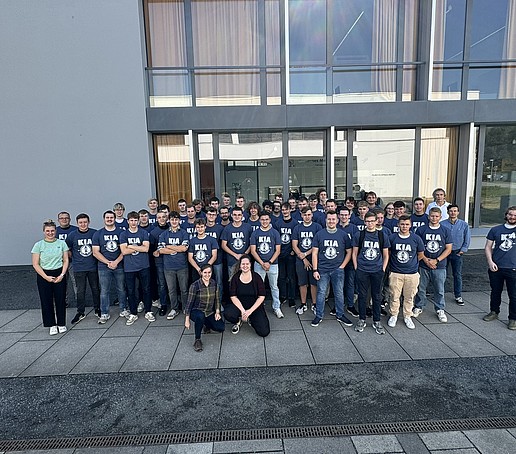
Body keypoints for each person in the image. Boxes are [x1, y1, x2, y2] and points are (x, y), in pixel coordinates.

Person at [310, 211, 353, 327]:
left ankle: (340, 314)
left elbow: (349, 252)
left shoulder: (343, 235)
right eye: (329, 219)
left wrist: (342, 266)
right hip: (322, 269)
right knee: (321, 293)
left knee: (339, 293)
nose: (331, 221)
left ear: (337, 220)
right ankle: (319, 315)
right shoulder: (319, 234)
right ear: (326, 220)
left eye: (333, 219)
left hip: (337, 269)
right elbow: (314, 253)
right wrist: (315, 269)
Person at [352, 211, 390, 334]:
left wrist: (383, 268)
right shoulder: (360, 235)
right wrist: (357, 267)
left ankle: (377, 320)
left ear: (376, 221)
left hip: (377, 270)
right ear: (365, 222)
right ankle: (362, 319)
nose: (370, 224)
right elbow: (354, 253)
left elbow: (386, 254)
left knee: (377, 296)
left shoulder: (382, 235)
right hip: (362, 269)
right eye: (368, 221)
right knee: (362, 296)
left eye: (372, 221)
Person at [412, 207, 452, 322]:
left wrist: (437, 260)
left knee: (439, 289)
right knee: (421, 288)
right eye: (432, 216)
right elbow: (418, 247)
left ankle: (440, 309)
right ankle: (419, 306)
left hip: (439, 265)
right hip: (424, 264)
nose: (434, 218)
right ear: (428, 216)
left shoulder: (445, 231)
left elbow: (448, 249)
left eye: (436, 216)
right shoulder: (421, 230)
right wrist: (426, 260)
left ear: (440, 217)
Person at [31, 220, 69, 335]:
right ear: (44, 232)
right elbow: (35, 264)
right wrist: (46, 277)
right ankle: (51, 324)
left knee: (60, 299)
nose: (50, 233)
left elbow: (66, 260)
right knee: (46, 300)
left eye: (52, 231)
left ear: (55, 231)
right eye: (47, 231)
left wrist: (62, 274)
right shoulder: (38, 245)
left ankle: (61, 323)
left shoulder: (61, 243)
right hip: (44, 274)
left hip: (59, 272)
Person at [387, 215, 424, 329]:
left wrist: (411, 263)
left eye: (407, 224)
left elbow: (420, 254)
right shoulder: (392, 238)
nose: (404, 226)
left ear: (410, 225)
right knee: (394, 295)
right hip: (396, 272)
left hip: (412, 273)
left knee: (409, 296)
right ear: (398, 225)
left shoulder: (416, 238)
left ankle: (407, 316)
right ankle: (394, 315)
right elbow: (388, 253)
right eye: (402, 224)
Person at [483, 206, 516, 329]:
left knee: (514, 295)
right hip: (496, 267)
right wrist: (490, 262)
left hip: (513, 268)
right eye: (510, 214)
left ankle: (513, 318)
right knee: (495, 292)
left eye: (515, 215)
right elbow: (488, 247)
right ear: (506, 215)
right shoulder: (495, 230)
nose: (512, 217)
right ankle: (494, 312)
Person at [92, 210, 128, 323]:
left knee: (121, 289)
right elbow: (95, 252)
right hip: (103, 267)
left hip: (119, 265)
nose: (109, 219)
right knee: (104, 291)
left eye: (111, 217)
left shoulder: (121, 233)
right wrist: (108, 262)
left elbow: (124, 250)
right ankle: (104, 313)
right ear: (104, 219)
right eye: (107, 218)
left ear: (114, 218)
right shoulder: (98, 234)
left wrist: (116, 262)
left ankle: (123, 309)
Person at [120, 211, 155, 325]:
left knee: (146, 289)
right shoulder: (124, 234)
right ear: (128, 221)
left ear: (138, 221)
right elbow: (124, 251)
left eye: (135, 220)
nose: (134, 222)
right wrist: (138, 247)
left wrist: (130, 246)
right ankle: (133, 313)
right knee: (130, 290)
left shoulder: (143, 232)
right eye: (131, 220)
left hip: (143, 265)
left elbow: (146, 249)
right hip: (129, 267)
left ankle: (148, 311)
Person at [66, 213, 101, 323]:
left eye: (85, 222)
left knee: (95, 289)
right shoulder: (72, 235)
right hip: (79, 267)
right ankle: (80, 312)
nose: (83, 224)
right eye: (80, 222)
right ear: (77, 223)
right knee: (80, 291)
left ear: (89, 222)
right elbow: (67, 249)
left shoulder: (94, 233)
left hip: (93, 266)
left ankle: (97, 309)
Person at [225, 255, 270, 337]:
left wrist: (249, 311)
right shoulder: (235, 278)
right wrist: (243, 311)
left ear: (250, 264)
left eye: (247, 264)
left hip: (254, 306)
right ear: (240, 265)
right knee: (228, 314)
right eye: (243, 264)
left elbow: (262, 296)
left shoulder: (257, 277)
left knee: (264, 332)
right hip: (239, 305)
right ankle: (238, 321)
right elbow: (233, 296)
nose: (245, 266)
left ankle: (250, 318)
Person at [184, 264, 225, 352]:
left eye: (209, 272)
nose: (207, 275)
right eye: (205, 272)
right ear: (201, 273)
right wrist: (187, 320)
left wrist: (217, 312)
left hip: (209, 311)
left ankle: (205, 324)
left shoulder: (214, 283)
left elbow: (217, 299)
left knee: (220, 328)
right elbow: (189, 303)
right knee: (200, 316)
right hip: (196, 311)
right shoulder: (195, 286)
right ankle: (197, 340)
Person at [250, 212, 283, 318]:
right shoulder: (255, 233)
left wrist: (269, 262)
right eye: (262, 219)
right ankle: (258, 307)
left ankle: (276, 307)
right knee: (258, 286)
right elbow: (253, 250)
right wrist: (262, 263)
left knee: (274, 286)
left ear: (270, 220)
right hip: (259, 264)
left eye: (266, 219)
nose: (264, 221)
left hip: (273, 264)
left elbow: (277, 250)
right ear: (259, 220)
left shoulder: (275, 233)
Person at [158, 211, 190, 320]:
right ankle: (174, 308)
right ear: (169, 221)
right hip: (168, 267)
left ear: (179, 221)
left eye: (176, 219)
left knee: (184, 289)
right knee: (171, 290)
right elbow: (161, 250)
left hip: (182, 266)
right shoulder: (164, 234)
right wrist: (176, 247)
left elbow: (184, 248)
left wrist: (169, 246)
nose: (174, 221)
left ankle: (186, 308)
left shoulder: (184, 233)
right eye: (172, 219)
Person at [442, 204, 471, 305]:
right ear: (447, 212)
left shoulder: (464, 225)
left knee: (457, 274)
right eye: (451, 211)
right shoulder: (442, 224)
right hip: (444, 253)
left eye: (455, 211)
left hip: (457, 252)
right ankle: (440, 294)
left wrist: (462, 250)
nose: (453, 213)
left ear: (458, 212)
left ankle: (458, 295)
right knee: (441, 274)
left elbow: (467, 238)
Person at [275, 202, 297, 308]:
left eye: (286, 209)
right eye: (283, 210)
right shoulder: (277, 223)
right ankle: (283, 296)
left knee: (291, 277)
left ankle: (292, 298)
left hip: (291, 254)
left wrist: (294, 250)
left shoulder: (295, 224)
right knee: (281, 277)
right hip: (280, 254)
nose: (284, 212)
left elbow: (297, 238)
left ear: (290, 210)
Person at [56, 211, 77, 306]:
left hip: (73, 261)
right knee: (61, 283)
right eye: (62, 218)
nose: (64, 220)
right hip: (59, 262)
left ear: (70, 219)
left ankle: (79, 301)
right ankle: (63, 302)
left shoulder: (75, 230)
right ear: (58, 220)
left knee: (76, 282)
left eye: (66, 218)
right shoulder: (55, 231)